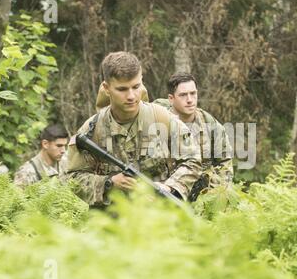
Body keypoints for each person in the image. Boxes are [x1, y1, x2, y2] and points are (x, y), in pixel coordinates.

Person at [66, 51, 201, 208]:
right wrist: (109, 183)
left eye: (136, 87)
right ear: (106, 88)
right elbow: (72, 180)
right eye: (122, 89)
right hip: (111, 224)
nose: (131, 96)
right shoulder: (92, 130)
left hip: (161, 219)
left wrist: (169, 187)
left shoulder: (161, 118)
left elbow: (193, 158)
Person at [155, 72, 234, 201]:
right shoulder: (156, 122)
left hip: (201, 198)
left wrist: (215, 194)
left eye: (193, 93)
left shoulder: (211, 125)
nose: (190, 100)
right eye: (183, 95)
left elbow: (225, 165)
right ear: (171, 98)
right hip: (163, 194)